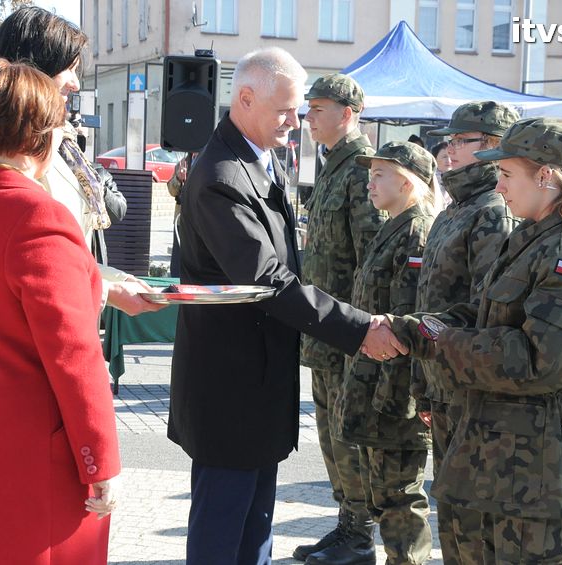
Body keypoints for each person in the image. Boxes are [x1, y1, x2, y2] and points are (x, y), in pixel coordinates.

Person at [168, 47, 407, 565]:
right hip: (230, 387)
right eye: (285, 110)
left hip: (257, 380)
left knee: (254, 527)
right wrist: (360, 328)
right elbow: (269, 280)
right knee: (222, 528)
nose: (295, 122)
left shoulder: (256, 158)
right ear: (246, 98)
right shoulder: (221, 175)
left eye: (299, 110)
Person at [392, 117, 562, 563]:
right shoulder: (531, 238)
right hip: (501, 452)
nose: (499, 188)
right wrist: (410, 328)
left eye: (506, 175)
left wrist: (442, 343)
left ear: (545, 175)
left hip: (538, 466)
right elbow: (480, 312)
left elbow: (538, 361)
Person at [0, 57, 121, 565]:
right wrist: (99, 459)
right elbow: (74, 356)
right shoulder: (38, 216)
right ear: (42, 134)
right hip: (32, 449)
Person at [0, 6, 161, 316]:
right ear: (33, 70)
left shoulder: (61, 141)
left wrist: (116, 280)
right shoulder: (13, 152)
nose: (75, 83)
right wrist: (109, 289)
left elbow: (67, 251)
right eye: (67, 69)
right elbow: (36, 263)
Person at [418, 100, 518, 563]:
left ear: (494, 146)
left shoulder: (492, 211)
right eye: (450, 139)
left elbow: (486, 309)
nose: (449, 148)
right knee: (452, 509)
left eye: (463, 140)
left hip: (468, 384)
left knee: (473, 519)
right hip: (441, 378)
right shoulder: (457, 207)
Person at [295, 73, 386, 564]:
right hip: (325, 324)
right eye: (308, 108)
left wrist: (359, 327)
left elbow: (371, 256)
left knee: (348, 433)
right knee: (331, 431)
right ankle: (346, 523)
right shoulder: (333, 165)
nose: (308, 117)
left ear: (348, 114)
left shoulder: (361, 170)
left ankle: (359, 535)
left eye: (318, 108)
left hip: (348, 327)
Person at [334, 142, 438, 565]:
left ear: (408, 180)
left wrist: (405, 395)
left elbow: (407, 325)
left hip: (397, 390)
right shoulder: (393, 225)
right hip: (376, 382)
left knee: (399, 496)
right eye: (370, 173)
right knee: (383, 493)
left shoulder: (418, 231)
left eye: (380, 174)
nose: (370, 182)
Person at [430, 140, 453, 207]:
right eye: (444, 157)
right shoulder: (430, 179)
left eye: (450, 156)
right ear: (435, 159)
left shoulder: (458, 177)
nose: (448, 160)